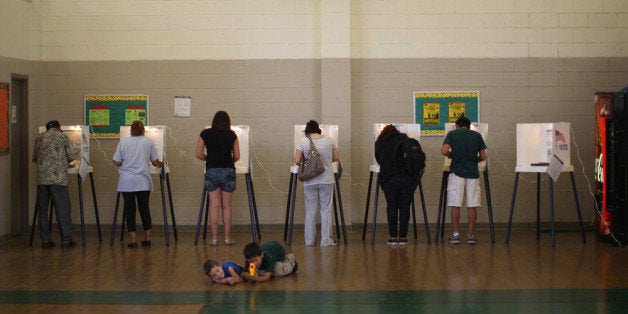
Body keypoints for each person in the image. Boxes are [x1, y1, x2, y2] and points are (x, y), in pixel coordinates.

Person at [113, 120, 162, 248]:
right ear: (143, 130)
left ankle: (133, 240)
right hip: (143, 181)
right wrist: (160, 163)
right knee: (144, 208)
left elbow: (116, 162)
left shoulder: (124, 142)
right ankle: (147, 238)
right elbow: (155, 161)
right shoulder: (148, 142)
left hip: (127, 182)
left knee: (130, 210)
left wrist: (127, 163)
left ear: (131, 131)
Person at [196, 110, 240, 246]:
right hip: (228, 170)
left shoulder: (205, 134)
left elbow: (198, 153)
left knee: (214, 206)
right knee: (226, 206)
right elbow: (237, 156)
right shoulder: (232, 135)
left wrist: (208, 158)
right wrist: (229, 159)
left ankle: (214, 239)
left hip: (212, 170)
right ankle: (227, 238)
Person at [441, 116, 487, 245]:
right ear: (469, 125)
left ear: (457, 125)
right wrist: (473, 159)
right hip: (473, 173)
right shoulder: (477, 135)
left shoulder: (452, 134)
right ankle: (471, 236)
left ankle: (456, 235)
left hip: (456, 172)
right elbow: (483, 156)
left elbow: (444, 151)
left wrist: (453, 155)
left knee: (455, 205)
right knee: (472, 205)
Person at [294, 120, 339, 247]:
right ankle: (326, 240)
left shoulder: (303, 141)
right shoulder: (330, 140)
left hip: (310, 181)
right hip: (326, 180)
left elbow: (297, 161)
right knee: (326, 210)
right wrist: (321, 161)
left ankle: (309, 240)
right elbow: (335, 157)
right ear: (319, 129)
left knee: (310, 210)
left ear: (307, 131)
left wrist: (309, 163)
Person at [32, 120, 76, 248]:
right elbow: (71, 156)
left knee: (43, 211)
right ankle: (66, 239)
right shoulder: (63, 137)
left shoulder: (39, 138)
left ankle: (46, 240)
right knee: (62, 210)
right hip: (58, 180)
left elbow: (35, 158)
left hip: (42, 181)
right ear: (58, 128)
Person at [375, 125, 419, 246]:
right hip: (407, 178)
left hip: (389, 178)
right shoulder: (406, 140)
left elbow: (379, 160)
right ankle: (403, 237)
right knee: (405, 207)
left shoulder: (380, 143)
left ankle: (393, 237)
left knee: (392, 207)